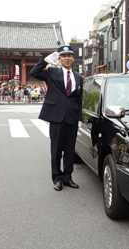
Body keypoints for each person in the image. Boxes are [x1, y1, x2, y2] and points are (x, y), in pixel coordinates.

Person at [30, 45, 83, 191]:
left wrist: (79, 118)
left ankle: (67, 177)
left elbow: (79, 100)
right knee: (56, 150)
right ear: (59, 59)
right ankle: (57, 178)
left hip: (72, 118)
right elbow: (33, 72)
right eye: (63, 56)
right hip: (56, 117)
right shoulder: (51, 72)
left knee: (70, 150)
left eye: (69, 55)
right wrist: (45, 60)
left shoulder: (78, 77)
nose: (67, 58)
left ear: (73, 58)